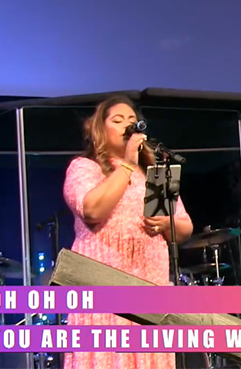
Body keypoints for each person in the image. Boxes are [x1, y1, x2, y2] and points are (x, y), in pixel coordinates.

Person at [62, 96, 194, 369]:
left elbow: (184, 226)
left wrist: (166, 225)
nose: (127, 126)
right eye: (118, 120)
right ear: (100, 129)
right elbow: (93, 210)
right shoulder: (86, 168)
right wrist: (126, 164)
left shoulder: (154, 176)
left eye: (132, 122)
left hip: (149, 288)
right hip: (103, 292)